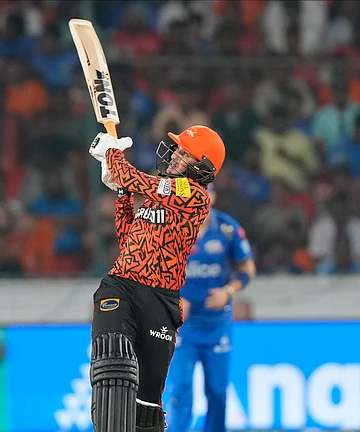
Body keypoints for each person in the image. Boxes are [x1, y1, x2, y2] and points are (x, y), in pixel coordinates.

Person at [87, 126, 226, 432]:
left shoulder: (194, 195)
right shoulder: (159, 196)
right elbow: (128, 240)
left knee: (148, 405)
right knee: (114, 362)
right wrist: (122, 194)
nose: (176, 155)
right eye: (178, 149)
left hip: (160, 302)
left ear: (202, 165)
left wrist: (112, 155)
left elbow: (136, 179)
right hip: (121, 284)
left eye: (186, 153)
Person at [166, 183, 256, 432]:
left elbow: (247, 269)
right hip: (181, 325)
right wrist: (172, 298)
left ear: (213, 196)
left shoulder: (227, 229)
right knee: (180, 389)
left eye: (204, 194)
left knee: (217, 392)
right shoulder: (172, 227)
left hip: (217, 323)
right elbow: (154, 273)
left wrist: (227, 292)